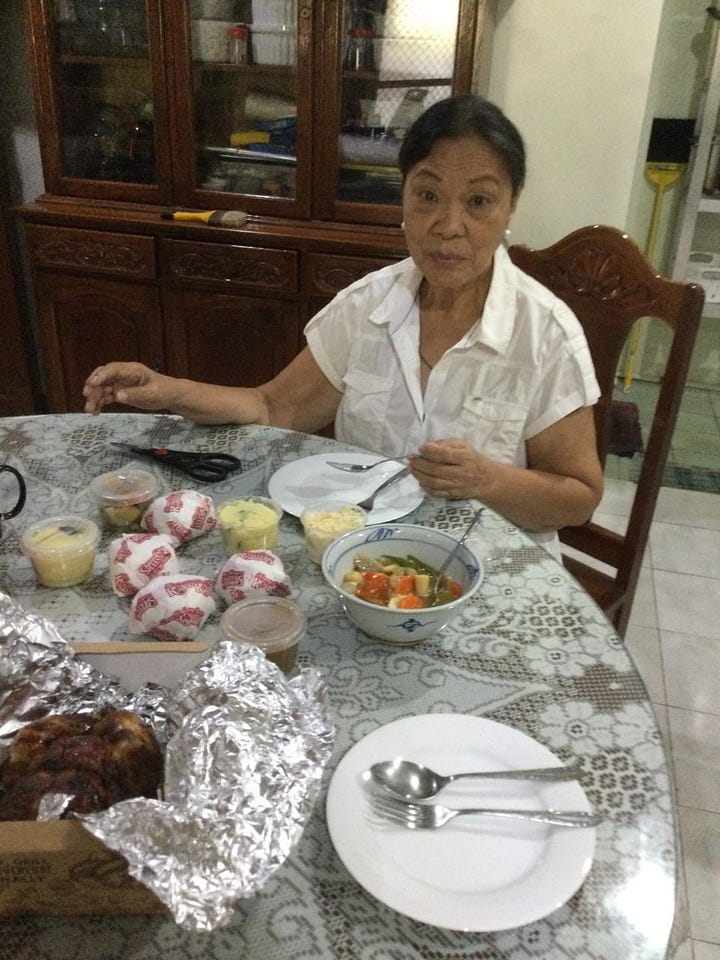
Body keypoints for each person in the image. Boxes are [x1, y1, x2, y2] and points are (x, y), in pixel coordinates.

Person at [84, 94, 603, 555]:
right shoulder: (366, 307)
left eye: (479, 201)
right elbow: (272, 406)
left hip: (489, 564)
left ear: (511, 205)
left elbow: (577, 498)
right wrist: (166, 389)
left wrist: (486, 479)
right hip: (360, 557)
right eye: (427, 196)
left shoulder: (545, 333)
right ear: (402, 198)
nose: (449, 226)